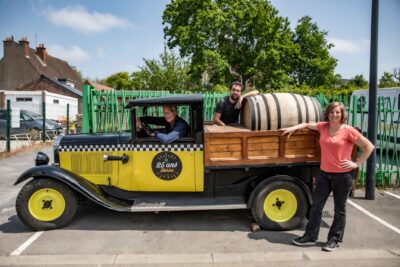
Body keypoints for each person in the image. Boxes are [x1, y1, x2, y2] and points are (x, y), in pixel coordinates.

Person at [281, 102, 374, 252]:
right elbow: (306, 124)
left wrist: (356, 164)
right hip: (324, 174)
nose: (334, 115)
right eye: (331, 112)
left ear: (342, 114)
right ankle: (310, 236)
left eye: (337, 112)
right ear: (328, 114)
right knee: (316, 206)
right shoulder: (323, 126)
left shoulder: (348, 131)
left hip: (343, 176)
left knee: (339, 209)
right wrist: (294, 128)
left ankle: (333, 239)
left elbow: (369, 146)